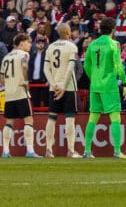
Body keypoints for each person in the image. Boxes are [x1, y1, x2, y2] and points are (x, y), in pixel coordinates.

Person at [82, 18, 126, 159]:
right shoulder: (114, 44)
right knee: (115, 117)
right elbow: (118, 65)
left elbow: (86, 65)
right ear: (113, 30)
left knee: (93, 118)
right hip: (109, 85)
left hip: (95, 85)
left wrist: (94, 78)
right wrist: (125, 82)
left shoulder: (92, 44)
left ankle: (87, 151)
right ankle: (116, 152)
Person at [43, 23, 81, 158]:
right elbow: (71, 67)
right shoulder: (72, 46)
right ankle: (70, 150)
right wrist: (63, 87)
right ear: (68, 32)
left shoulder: (50, 47)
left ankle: (48, 149)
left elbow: (45, 69)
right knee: (69, 119)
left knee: (52, 118)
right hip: (68, 88)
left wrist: (54, 85)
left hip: (54, 88)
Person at [0, 33, 41, 158]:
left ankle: (5, 151)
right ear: (22, 43)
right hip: (21, 92)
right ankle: (30, 151)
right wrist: (25, 80)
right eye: (28, 42)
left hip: (9, 94)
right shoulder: (24, 54)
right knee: (28, 120)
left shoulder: (6, 57)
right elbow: (24, 66)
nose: (30, 45)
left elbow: (1, 79)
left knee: (9, 122)